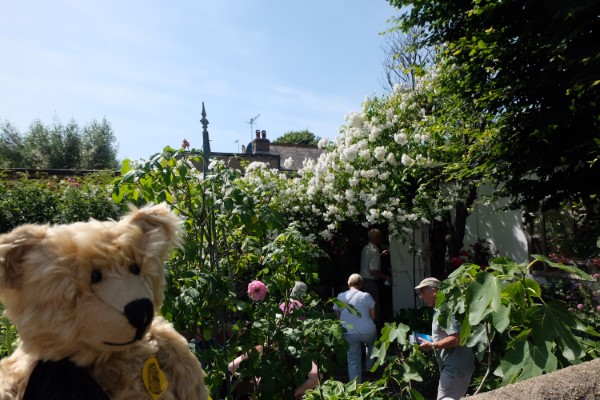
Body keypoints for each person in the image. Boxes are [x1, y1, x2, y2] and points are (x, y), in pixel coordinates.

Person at [414, 277, 475, 400]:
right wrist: (431, 340)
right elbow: (448, 335)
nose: (421, 297)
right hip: (457, 367)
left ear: (434, 291)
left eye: (423, 292)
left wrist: (432, 345)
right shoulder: (441, 309)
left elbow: (457, 338)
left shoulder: (447, 310)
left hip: (454, 369)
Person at [333, 273, 377, 383]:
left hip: (349, 331)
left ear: (348, 283)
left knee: (353, 360)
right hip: (367, 331)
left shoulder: (340, 296)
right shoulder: (366, 296)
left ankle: (355, 385)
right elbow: (373, 316)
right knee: (372, 343)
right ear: (361, 284)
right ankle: (369, 366)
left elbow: (337, 314)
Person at [359, 229, 391, 320]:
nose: (381, 239)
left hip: (363, 280)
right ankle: (375, 327)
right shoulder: (374, 251)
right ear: (377, 238)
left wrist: (380, 255)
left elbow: (368, 261)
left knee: (366, 305)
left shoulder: (366, 248)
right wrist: (387, 277)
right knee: (374, 306)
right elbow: (373, 271)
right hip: (370, 282)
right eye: (380, 237)